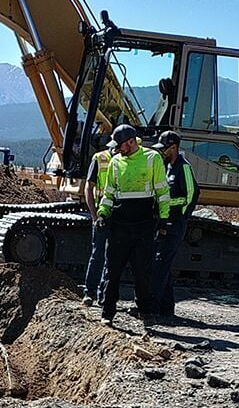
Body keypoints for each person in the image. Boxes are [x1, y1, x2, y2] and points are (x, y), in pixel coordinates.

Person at [96, 124, 170, 325]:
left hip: (144, 225)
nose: (117, 149)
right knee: (113, 271)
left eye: (120, 145)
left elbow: (162, 192)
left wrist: (164, 219)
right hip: (119, 225)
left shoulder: (152, 158)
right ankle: (107, 312)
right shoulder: (115, 162)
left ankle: (145, 312)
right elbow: (109, 193)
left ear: (131, 141)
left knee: (142, 271)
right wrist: (102, 214)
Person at [151, 130, 198, 319]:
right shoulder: (166, 167)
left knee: (159, 265)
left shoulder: (183, 168)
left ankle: (151, 308)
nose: (161, 152)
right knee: (163, 267)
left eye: (164, 149)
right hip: (163, 222)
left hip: (175, 224)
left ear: (174, 148)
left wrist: (179, 216)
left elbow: (191, 195)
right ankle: (166, 308)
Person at [82, 137, 117, 306]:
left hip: (117, 215)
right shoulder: (99, 159)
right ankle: (89, 292)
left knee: (111, 257)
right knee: (98, 255)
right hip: (102, 215)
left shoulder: (126, 161)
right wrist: (95, 216)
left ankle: (103, 294)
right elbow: (88, 187)